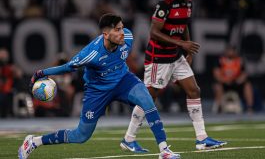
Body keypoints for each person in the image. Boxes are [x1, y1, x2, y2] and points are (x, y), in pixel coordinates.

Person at [18, 13, 180, 159]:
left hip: (123, 80)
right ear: (106, 34)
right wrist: (42, 72)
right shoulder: (91, 54)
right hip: (98, 91)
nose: (122, 32)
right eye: (117, 30)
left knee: (147, 100)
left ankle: (164, 150)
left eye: (122, 28)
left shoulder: (128, 37)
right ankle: (35, 141)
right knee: (80, 136)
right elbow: (68, 67)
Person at [120, 0, 227, 152]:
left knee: (194, 90)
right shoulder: (165, 4)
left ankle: (202, 138)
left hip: (175, 56)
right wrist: (181, 43)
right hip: (157, 58)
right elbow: (154, 32)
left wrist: (186, 48)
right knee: (148, 98)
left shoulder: (188, 4)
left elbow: (183, 25)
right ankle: (128, 139)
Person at [212, 45, 254, 113]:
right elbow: (216, 74)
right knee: (217, 86)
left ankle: (250, 107)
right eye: (229, 50)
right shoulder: (220, 60)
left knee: (247, 85)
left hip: (236, 83)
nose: (230, 52)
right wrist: (225, 80)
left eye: (232, 50)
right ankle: (219, 107)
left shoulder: (240, 60)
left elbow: (244, 74)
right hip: (224, 83)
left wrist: (238, 80)